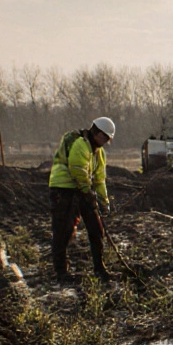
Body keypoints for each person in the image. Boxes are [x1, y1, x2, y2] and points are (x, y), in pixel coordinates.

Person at [49, 116, 115, 283]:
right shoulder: (80, 144)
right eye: (105, 138)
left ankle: (100, 269)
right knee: (63, 230)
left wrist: (104, 201)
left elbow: (99, 179)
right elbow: (78, 170)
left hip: (81, 190)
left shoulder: (99, 153)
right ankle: (61, 272)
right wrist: (88, 193)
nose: (106, 142)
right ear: (98, 133)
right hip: (64, 189)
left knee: (96, 229)